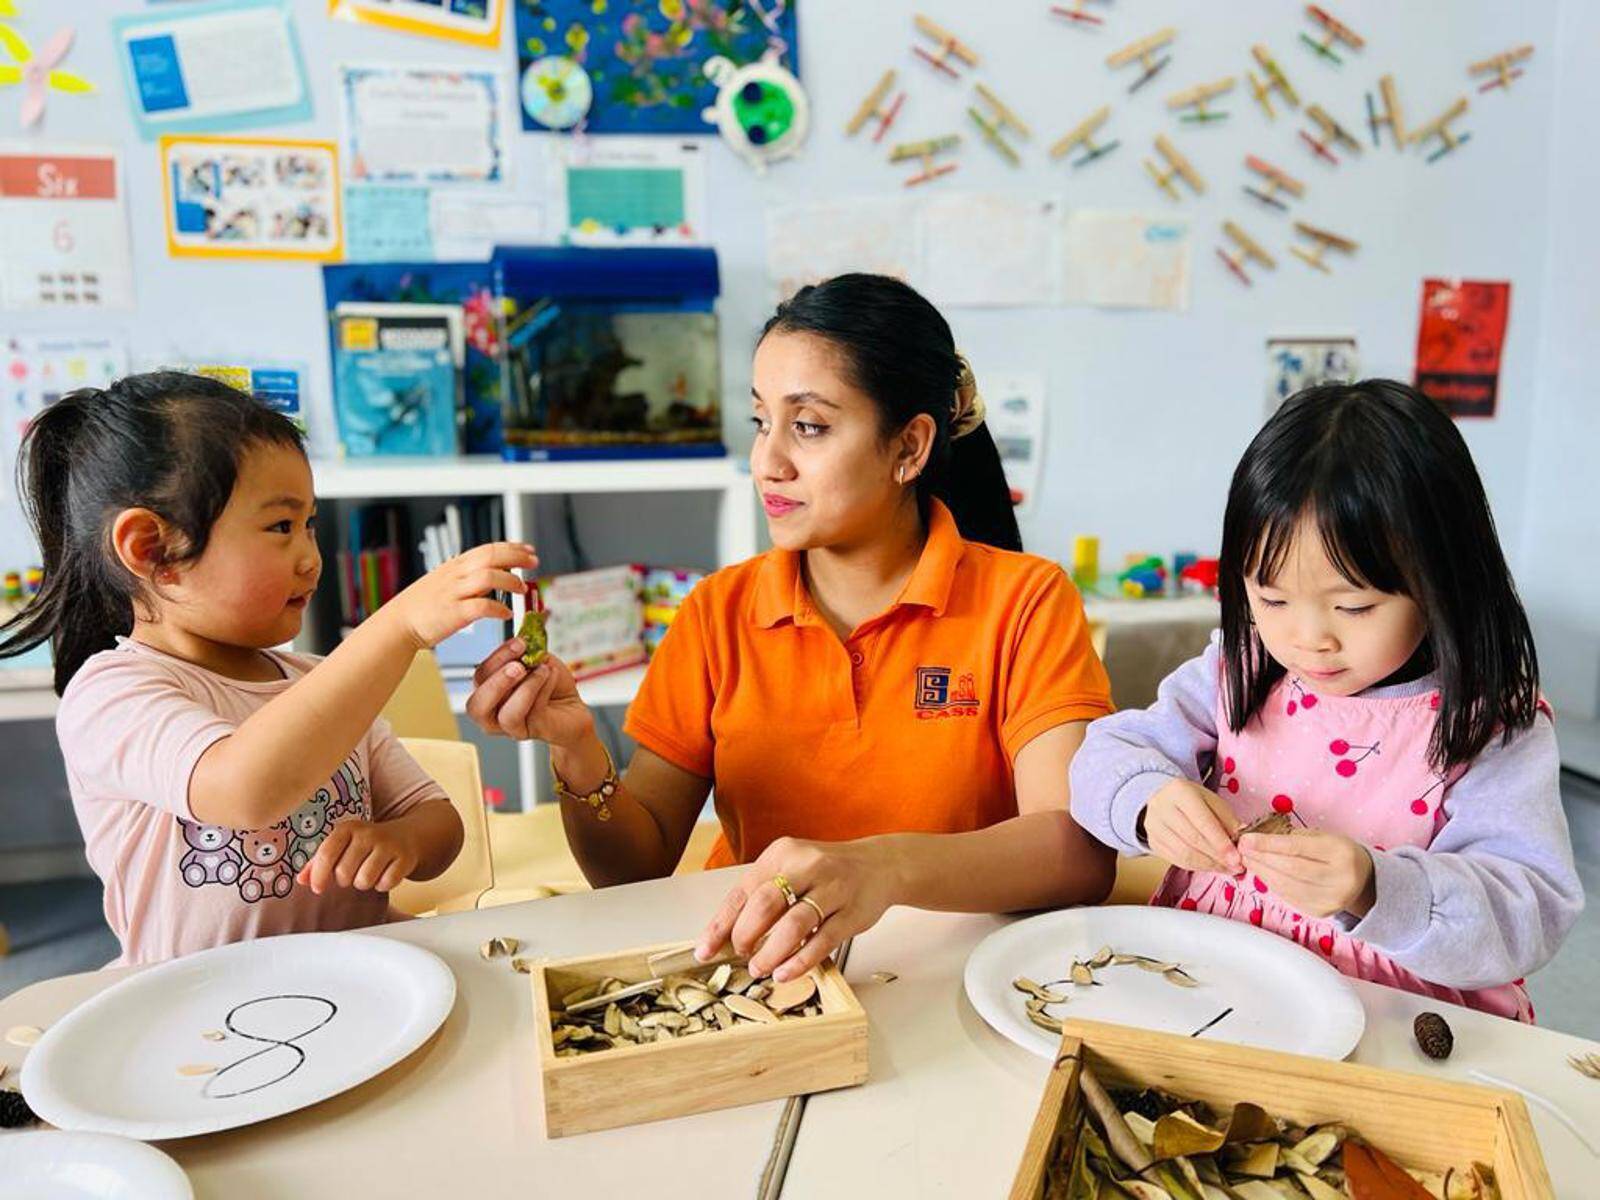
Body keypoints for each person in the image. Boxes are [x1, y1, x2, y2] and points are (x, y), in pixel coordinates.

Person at [466, 274, 1116, 985]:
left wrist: (881, 868)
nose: (767, 461)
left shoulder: (1025, 600)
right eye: (760, 421)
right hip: (766, 974)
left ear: (909, 448)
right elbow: (634, 870)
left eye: (808, 426)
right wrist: (578, 751)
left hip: (956, 976)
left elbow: (1077, 852)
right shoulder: (718, 612)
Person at [1070, 380, 1583, 1020]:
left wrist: (1375, 887)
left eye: (1354, 606)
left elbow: (1529, 912)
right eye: (1272, 599)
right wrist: (1148, 800)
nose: (1309, 640)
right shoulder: (1243, 667)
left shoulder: (1488, 722)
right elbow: (1102, 756)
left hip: (1397, 1009)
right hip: (1223, 981)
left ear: (1441, 579)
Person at [0, 371, 535, 965]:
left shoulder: (316, 681)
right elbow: (244, 790)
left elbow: (439, 824)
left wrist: (401, 840)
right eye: (281, 527)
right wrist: (399, 624)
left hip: (354, 981)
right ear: (152, 550)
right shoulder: (111, 695)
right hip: (196, 1013)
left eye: (309, 524)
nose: (311, 557)